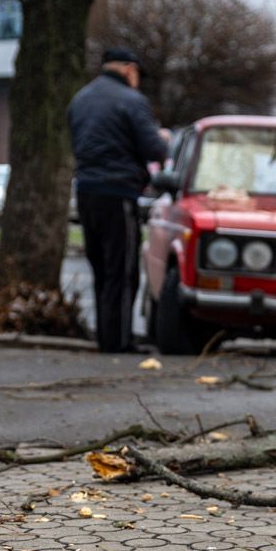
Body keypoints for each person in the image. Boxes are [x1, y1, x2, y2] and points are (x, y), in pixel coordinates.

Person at [68, 47, 168, 353]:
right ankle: (119, 341)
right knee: (122, 271)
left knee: (100, 269)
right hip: (118, 192)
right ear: (129, 69)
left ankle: (105, 337)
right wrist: (162, 138)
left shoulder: (80, 99)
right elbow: (154, 150)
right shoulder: (131, 101)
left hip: (86, 191)